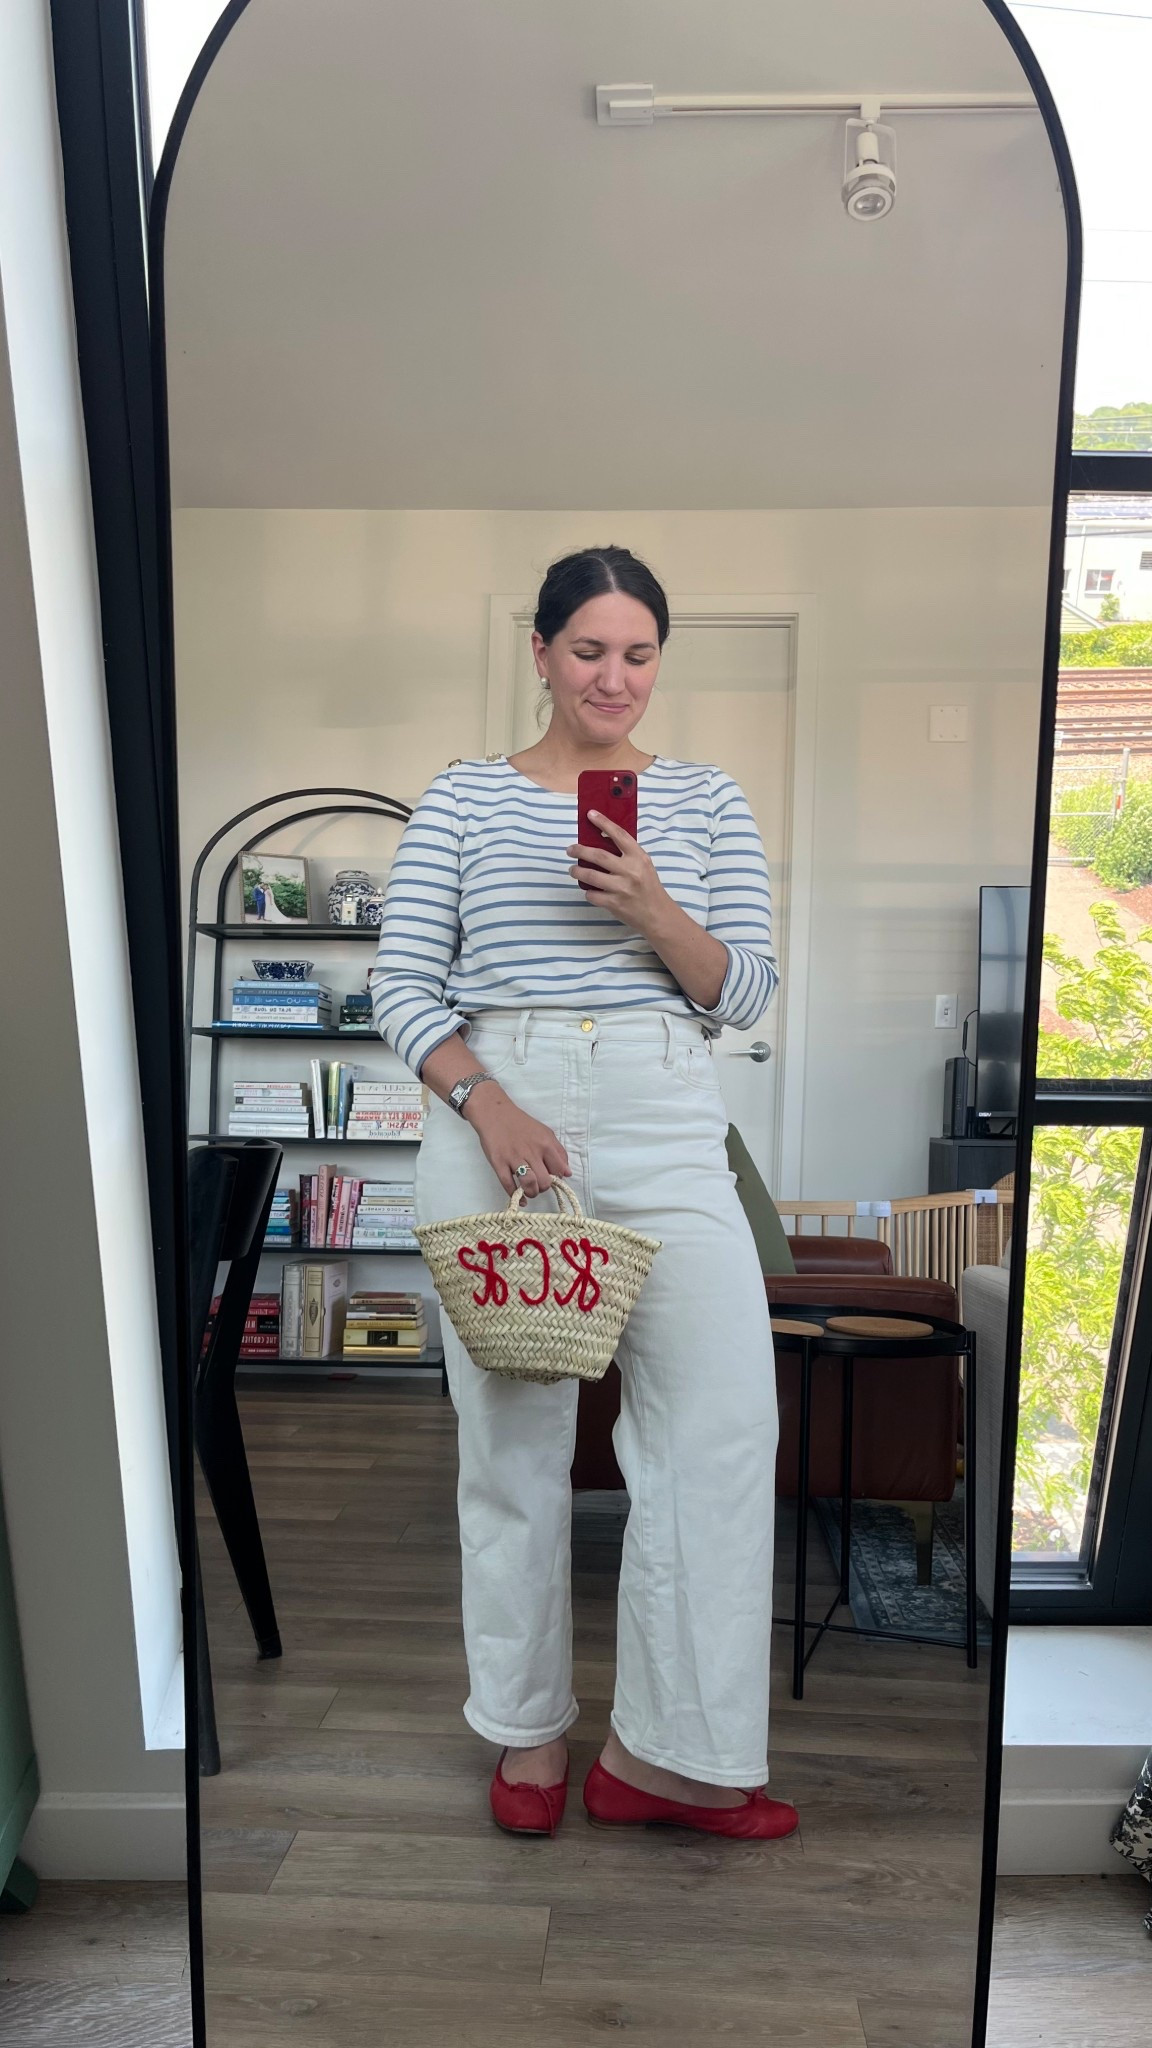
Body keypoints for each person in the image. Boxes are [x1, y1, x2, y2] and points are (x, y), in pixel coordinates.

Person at [369, 545, 795, 1842]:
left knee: (720, 1434)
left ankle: (669, 1758)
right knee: (510, 1443)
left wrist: (653, 904)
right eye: (590, 649)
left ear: (660, 661)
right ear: (542, 652)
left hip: (669, 1112)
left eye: (640, 652)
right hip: (501, 1103)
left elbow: (746, 995)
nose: (616, 676)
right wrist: (485, 1100)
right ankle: (528, 1730)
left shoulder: (711, 800)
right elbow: (401, 987)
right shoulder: (460, 798)